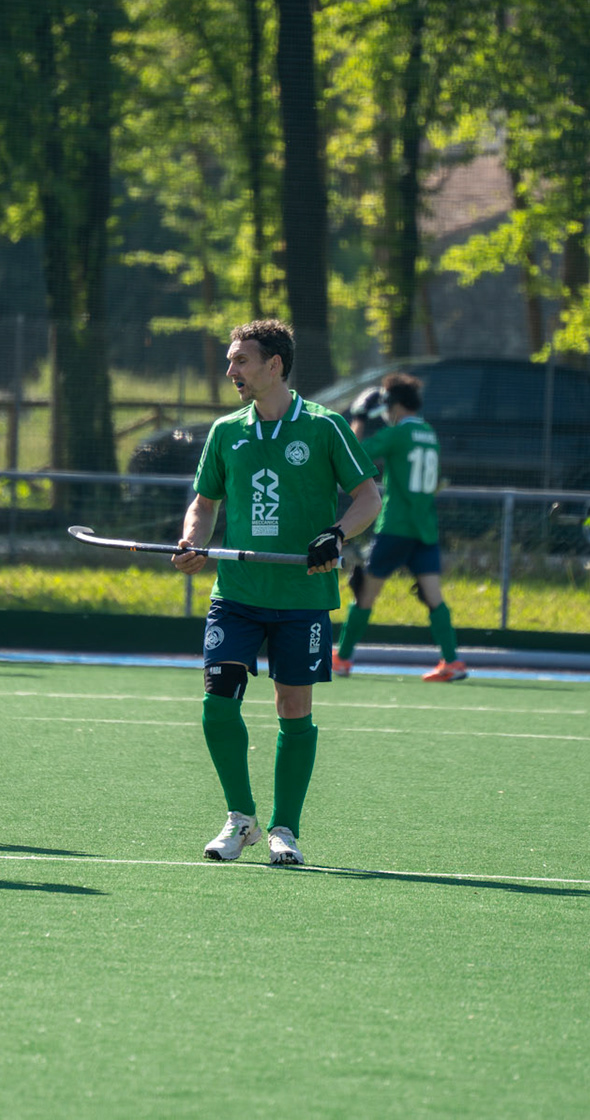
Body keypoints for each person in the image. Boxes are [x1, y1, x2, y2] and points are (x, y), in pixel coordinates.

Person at [171, 320, 381, 867]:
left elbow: (368, 498)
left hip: (302, 597)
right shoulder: (225, 432)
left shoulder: (325, 426)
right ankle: (240, 819)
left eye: (240, 360)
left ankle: (284, 829)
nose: (230, 370)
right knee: (217, 702)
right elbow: (205, 503)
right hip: (236, 592)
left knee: (293, 709)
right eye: (230, 360)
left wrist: (337, 534)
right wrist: (193, 541)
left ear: (274, 365)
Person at [332, 372, 466, 682]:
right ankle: (452, 661)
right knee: (434, 596)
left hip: (395, 526)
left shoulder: (398, 434)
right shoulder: (429, 433)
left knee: (365, 593)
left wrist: (359, 418)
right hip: (425, 527)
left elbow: (353, 454)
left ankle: (344, 658)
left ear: (394, 404)